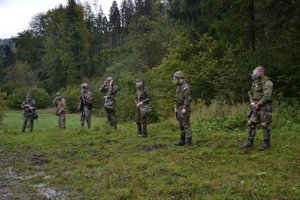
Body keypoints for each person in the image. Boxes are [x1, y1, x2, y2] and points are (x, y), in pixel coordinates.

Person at [241, 65, 273, 150]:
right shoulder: (255, 82)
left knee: (265, 125)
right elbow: (250, 93)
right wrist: (251, 102)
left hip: (265, 107)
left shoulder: (268, 83)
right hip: (255, 107)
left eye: (256, 72)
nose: (254, 74)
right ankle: (249, 143)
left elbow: (267, 96)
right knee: (251, 123)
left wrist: (258, 104)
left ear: (261, 72)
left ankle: (266, 144)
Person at [173, 71, 193, 146]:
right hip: (178, 107)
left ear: (179, 78)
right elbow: (176, 98)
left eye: (175, 78)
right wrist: (175, 107)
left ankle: (188, 141)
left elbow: (188, 99)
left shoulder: (186, 87)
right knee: (181, 125)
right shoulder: (178, 87)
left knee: (186, 125)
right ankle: (182, 141)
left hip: (184, 107)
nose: (174, 80)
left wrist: (184, 108)